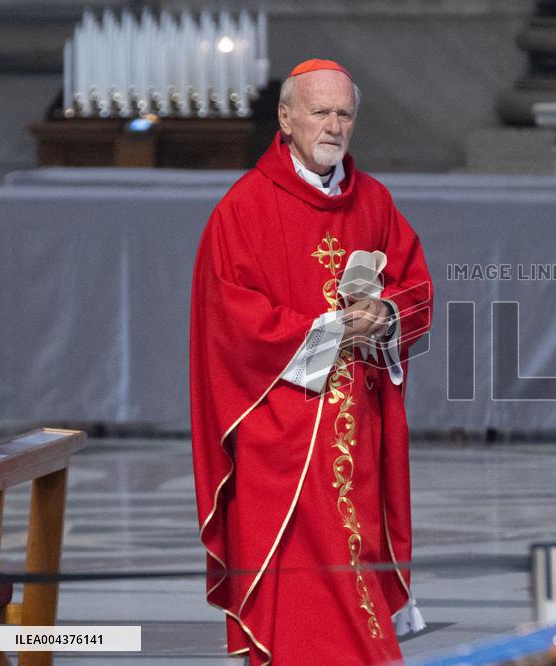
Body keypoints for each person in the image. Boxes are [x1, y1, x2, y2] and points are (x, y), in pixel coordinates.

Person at [190, 58, 432, 665]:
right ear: (286, 118)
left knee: (358, 571)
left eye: (344, 113)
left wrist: (387, 315)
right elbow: (231, 321)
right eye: (320, 112)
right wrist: (327, 328)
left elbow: (416, 287)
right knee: (309, 603)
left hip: (361, 434)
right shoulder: (243, 208)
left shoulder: (373, 201)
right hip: (284, 440)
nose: (333, 125)